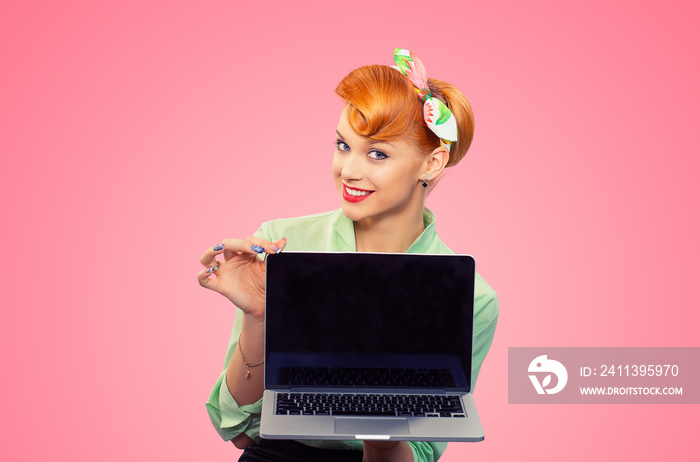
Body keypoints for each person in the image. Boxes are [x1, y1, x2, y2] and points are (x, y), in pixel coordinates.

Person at [198, 49, 499, 462]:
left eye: (378, 153)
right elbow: (239, 429)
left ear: (431, 163)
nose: (349, 170)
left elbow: (422, 451)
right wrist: (259, 319)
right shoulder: (282, 245)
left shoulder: (475, 301)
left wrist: (382, 433)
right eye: (343, 145)